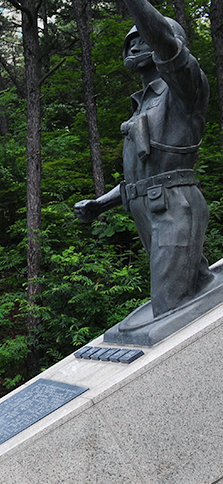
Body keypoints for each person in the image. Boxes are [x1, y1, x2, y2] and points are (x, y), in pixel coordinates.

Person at [74, 0, 213, 317]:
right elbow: (141, 178)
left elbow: (166, 42)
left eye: (143, 37)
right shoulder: (143, 104)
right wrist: (101, 203)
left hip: (173, 208)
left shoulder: (184, 91)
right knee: (190, 286)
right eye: (130, 41)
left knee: (168, 309)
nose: (134, 44)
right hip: (149, 209)